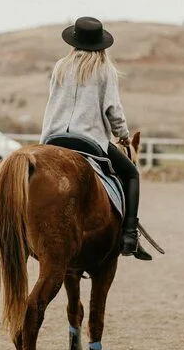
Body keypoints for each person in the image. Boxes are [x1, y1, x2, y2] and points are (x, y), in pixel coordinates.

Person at [40, 16, 152, 261]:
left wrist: (44, 140)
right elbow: (113, 110)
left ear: (74, 41)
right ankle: (130, 236)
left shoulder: (60, 66)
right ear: (101, 45)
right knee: (131, 173)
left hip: (54, 139)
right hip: (88, 142)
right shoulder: (104, 70)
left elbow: (51, 105)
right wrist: (123, 136)